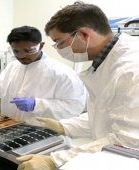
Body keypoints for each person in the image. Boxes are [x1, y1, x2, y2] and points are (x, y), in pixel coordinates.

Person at [17, 1, 139, 170]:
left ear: (83, 34)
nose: (58, 49)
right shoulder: (107, 61)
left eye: (60, 42)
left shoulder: (130, 70)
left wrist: (55, 160)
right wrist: (64, 126)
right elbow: (103, 115)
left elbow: (128, 141)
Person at [0, 26, 85, 126]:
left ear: (41, 45)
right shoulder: (13, 67)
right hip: (11, 127)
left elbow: (74, 107)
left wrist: (36, 105)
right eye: (16, 51)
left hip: (44, 134)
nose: (21, 55)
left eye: (28, 50)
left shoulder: (61, 72)